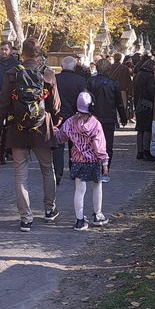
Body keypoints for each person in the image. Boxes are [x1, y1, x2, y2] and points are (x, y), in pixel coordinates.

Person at [0, 37, 61, 232]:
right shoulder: (48, 74)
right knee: (47, 169)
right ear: (39, 53)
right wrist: (55, 121)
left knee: (20, 173)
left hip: (18, 129)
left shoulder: (12, 74)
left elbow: (3, 104)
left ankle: (26, 218)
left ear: (21, 54)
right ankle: (49, 210)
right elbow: (55, 105)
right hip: (42, 128)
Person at [54, 92, 110, 231]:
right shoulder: (95, 124)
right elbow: (99, 145)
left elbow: (60, 138)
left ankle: (79, 220)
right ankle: (98, 215)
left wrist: (54, 128)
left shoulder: (70, 123)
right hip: (94, 160)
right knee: (97, 186)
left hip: (78, 161)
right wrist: (104, 161)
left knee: (79, 190)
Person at [87, 58, 127, 182]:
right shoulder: (114, 84)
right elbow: (119, 103)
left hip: (93, 118)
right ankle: (105, 171)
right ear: (109, 69)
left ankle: (93, 170)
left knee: (92, 144)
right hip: (108, 118)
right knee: (107, 146)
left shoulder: (90, 82)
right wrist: (123, 118)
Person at [53, 56, 87, 185]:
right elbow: (84, 100)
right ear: (74, 67)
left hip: (58, 117)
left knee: (58, 145)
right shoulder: (80, 81)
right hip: (75, 117)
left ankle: (58, 171)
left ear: (62, 67)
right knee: (75, 144)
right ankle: (74, 170)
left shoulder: (55, 79)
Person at [133, 58, 155, 161]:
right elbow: (151, 91)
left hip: (138, 103)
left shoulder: (138, 75)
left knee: (140, 128)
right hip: (147, 103)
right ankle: (146, 151)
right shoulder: (150, 76)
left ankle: (140, 151)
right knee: (147, 128)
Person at [109, 53, 133, 127]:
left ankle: (115, 120)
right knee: (122, 105)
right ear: (121, 59)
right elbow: (128, 81)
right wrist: (130, 92)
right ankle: (120, 120)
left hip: (111, 88)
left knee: (113, 105)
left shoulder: (110, 67)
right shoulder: (124, 68)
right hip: (122, 89)